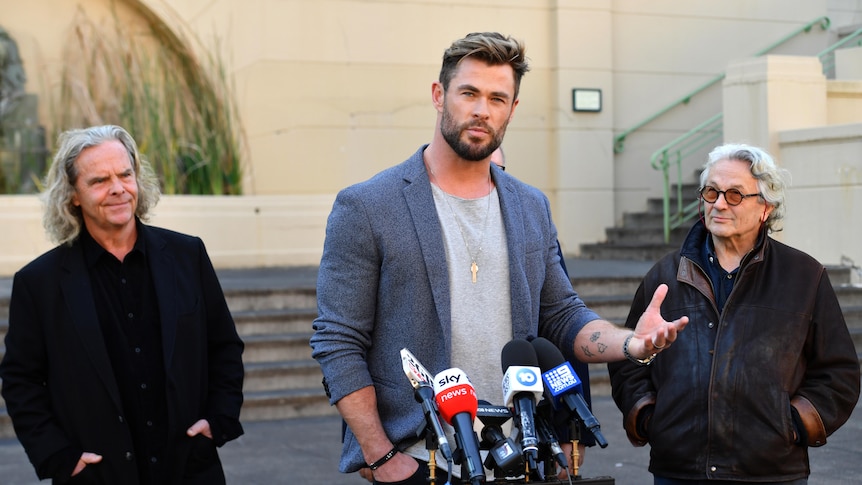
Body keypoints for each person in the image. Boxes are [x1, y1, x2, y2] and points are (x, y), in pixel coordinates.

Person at [310, 32, 688, 485]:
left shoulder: (530, 206)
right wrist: (380, 455)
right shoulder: (369, 206)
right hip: (421, 458)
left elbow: (562, 315)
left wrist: (632, 345)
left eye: (497, 98)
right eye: (468, 93)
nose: (481, 110)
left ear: (512, 108)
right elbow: (338, 340)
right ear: (438, 95)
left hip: (523, 455)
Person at [0, 124, 245, 484]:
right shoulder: (39, 283)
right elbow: (20, 380)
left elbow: (223, 346)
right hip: (97, 475)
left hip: (189, 466)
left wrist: (218, 420)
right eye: (99, 180)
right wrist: (58, 456)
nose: (117, 188)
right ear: (73, 195)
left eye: (125, 174)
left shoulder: (187, 255)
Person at [607, 143, 861, 484]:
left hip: (770, 471)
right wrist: (651, 417)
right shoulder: (665, 275)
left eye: (735, 194)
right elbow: (629, 358)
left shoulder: (804, 276)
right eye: (712, 192)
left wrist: (793, 424)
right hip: (679, 470)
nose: (719, 203)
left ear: (766, 208)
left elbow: (839, 372)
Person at [490, 145, 596, 474]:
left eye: (497, 172)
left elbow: (562, 322)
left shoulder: (532, 224)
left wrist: (572, 431)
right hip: (438, 434)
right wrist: (369, 443)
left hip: (529, 431)